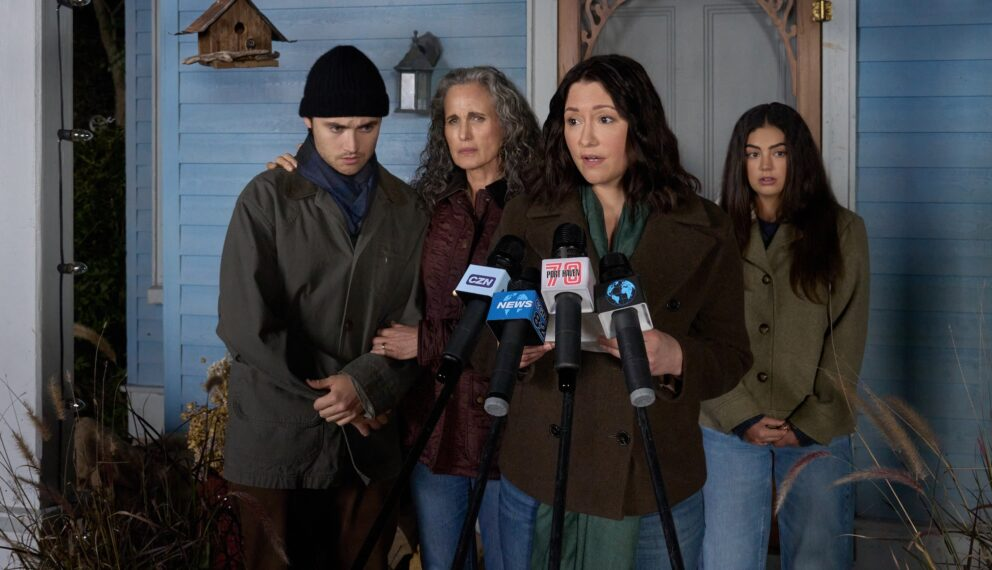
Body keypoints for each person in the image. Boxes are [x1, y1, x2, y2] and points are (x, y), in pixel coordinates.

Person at [268, 66, 544, 570]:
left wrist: (427, 340)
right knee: (441, 562)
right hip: (432, 427)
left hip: (509, 426)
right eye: (452, 120)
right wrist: (297, 175)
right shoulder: (428, 206)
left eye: (477, 118)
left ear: (508, 124)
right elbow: (355, 237)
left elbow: (527, 329)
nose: (463, 133)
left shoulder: (539, 212)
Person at [489, 54, 752, 570]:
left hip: (653, 480)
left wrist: (676, 355)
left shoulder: (708, 226)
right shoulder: (525, 214)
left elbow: (731, 355)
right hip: (543, 470)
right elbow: (485, 336)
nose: (585, 138)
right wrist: (510, 348)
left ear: (640, 126)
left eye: (605, 118)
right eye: (573, 120)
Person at [216, 45, 428, 570]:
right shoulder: (265, 199)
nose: (352, 144)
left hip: (368, 446)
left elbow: (416, 319)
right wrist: (340, 393)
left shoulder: (409, 210)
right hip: (277, 441)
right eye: (336, 128)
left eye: (366, 127)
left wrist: (367, 386)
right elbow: (245, 323)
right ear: (308, 121)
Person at [698, 102, 870, 569]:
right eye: (753, 154)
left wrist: (811, 420)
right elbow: (698, 329)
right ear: (740, 162)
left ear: (799, 159)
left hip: (816, 425)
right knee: (727, 560)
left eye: (779, 152)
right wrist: (739, 414)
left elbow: (847, 336)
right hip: (728, 423)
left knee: (820, 558)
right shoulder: (712, 230)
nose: (766, 166)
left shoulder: (844, 232)